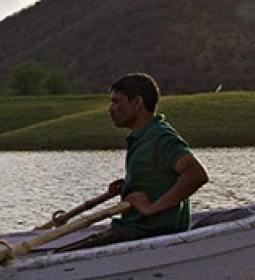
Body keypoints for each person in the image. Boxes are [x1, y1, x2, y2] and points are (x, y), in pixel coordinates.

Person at [62, 72, 210, 250]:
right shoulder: (142, 137)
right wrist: (130, 185)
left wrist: (151, 209)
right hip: (133, 230)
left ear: (137, 102)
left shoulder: (160, 137)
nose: (111, 109)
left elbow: (196, 175)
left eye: (117, 102)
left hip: (147, 233)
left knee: (58, 258)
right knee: (61, 252)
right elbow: (161, 177)